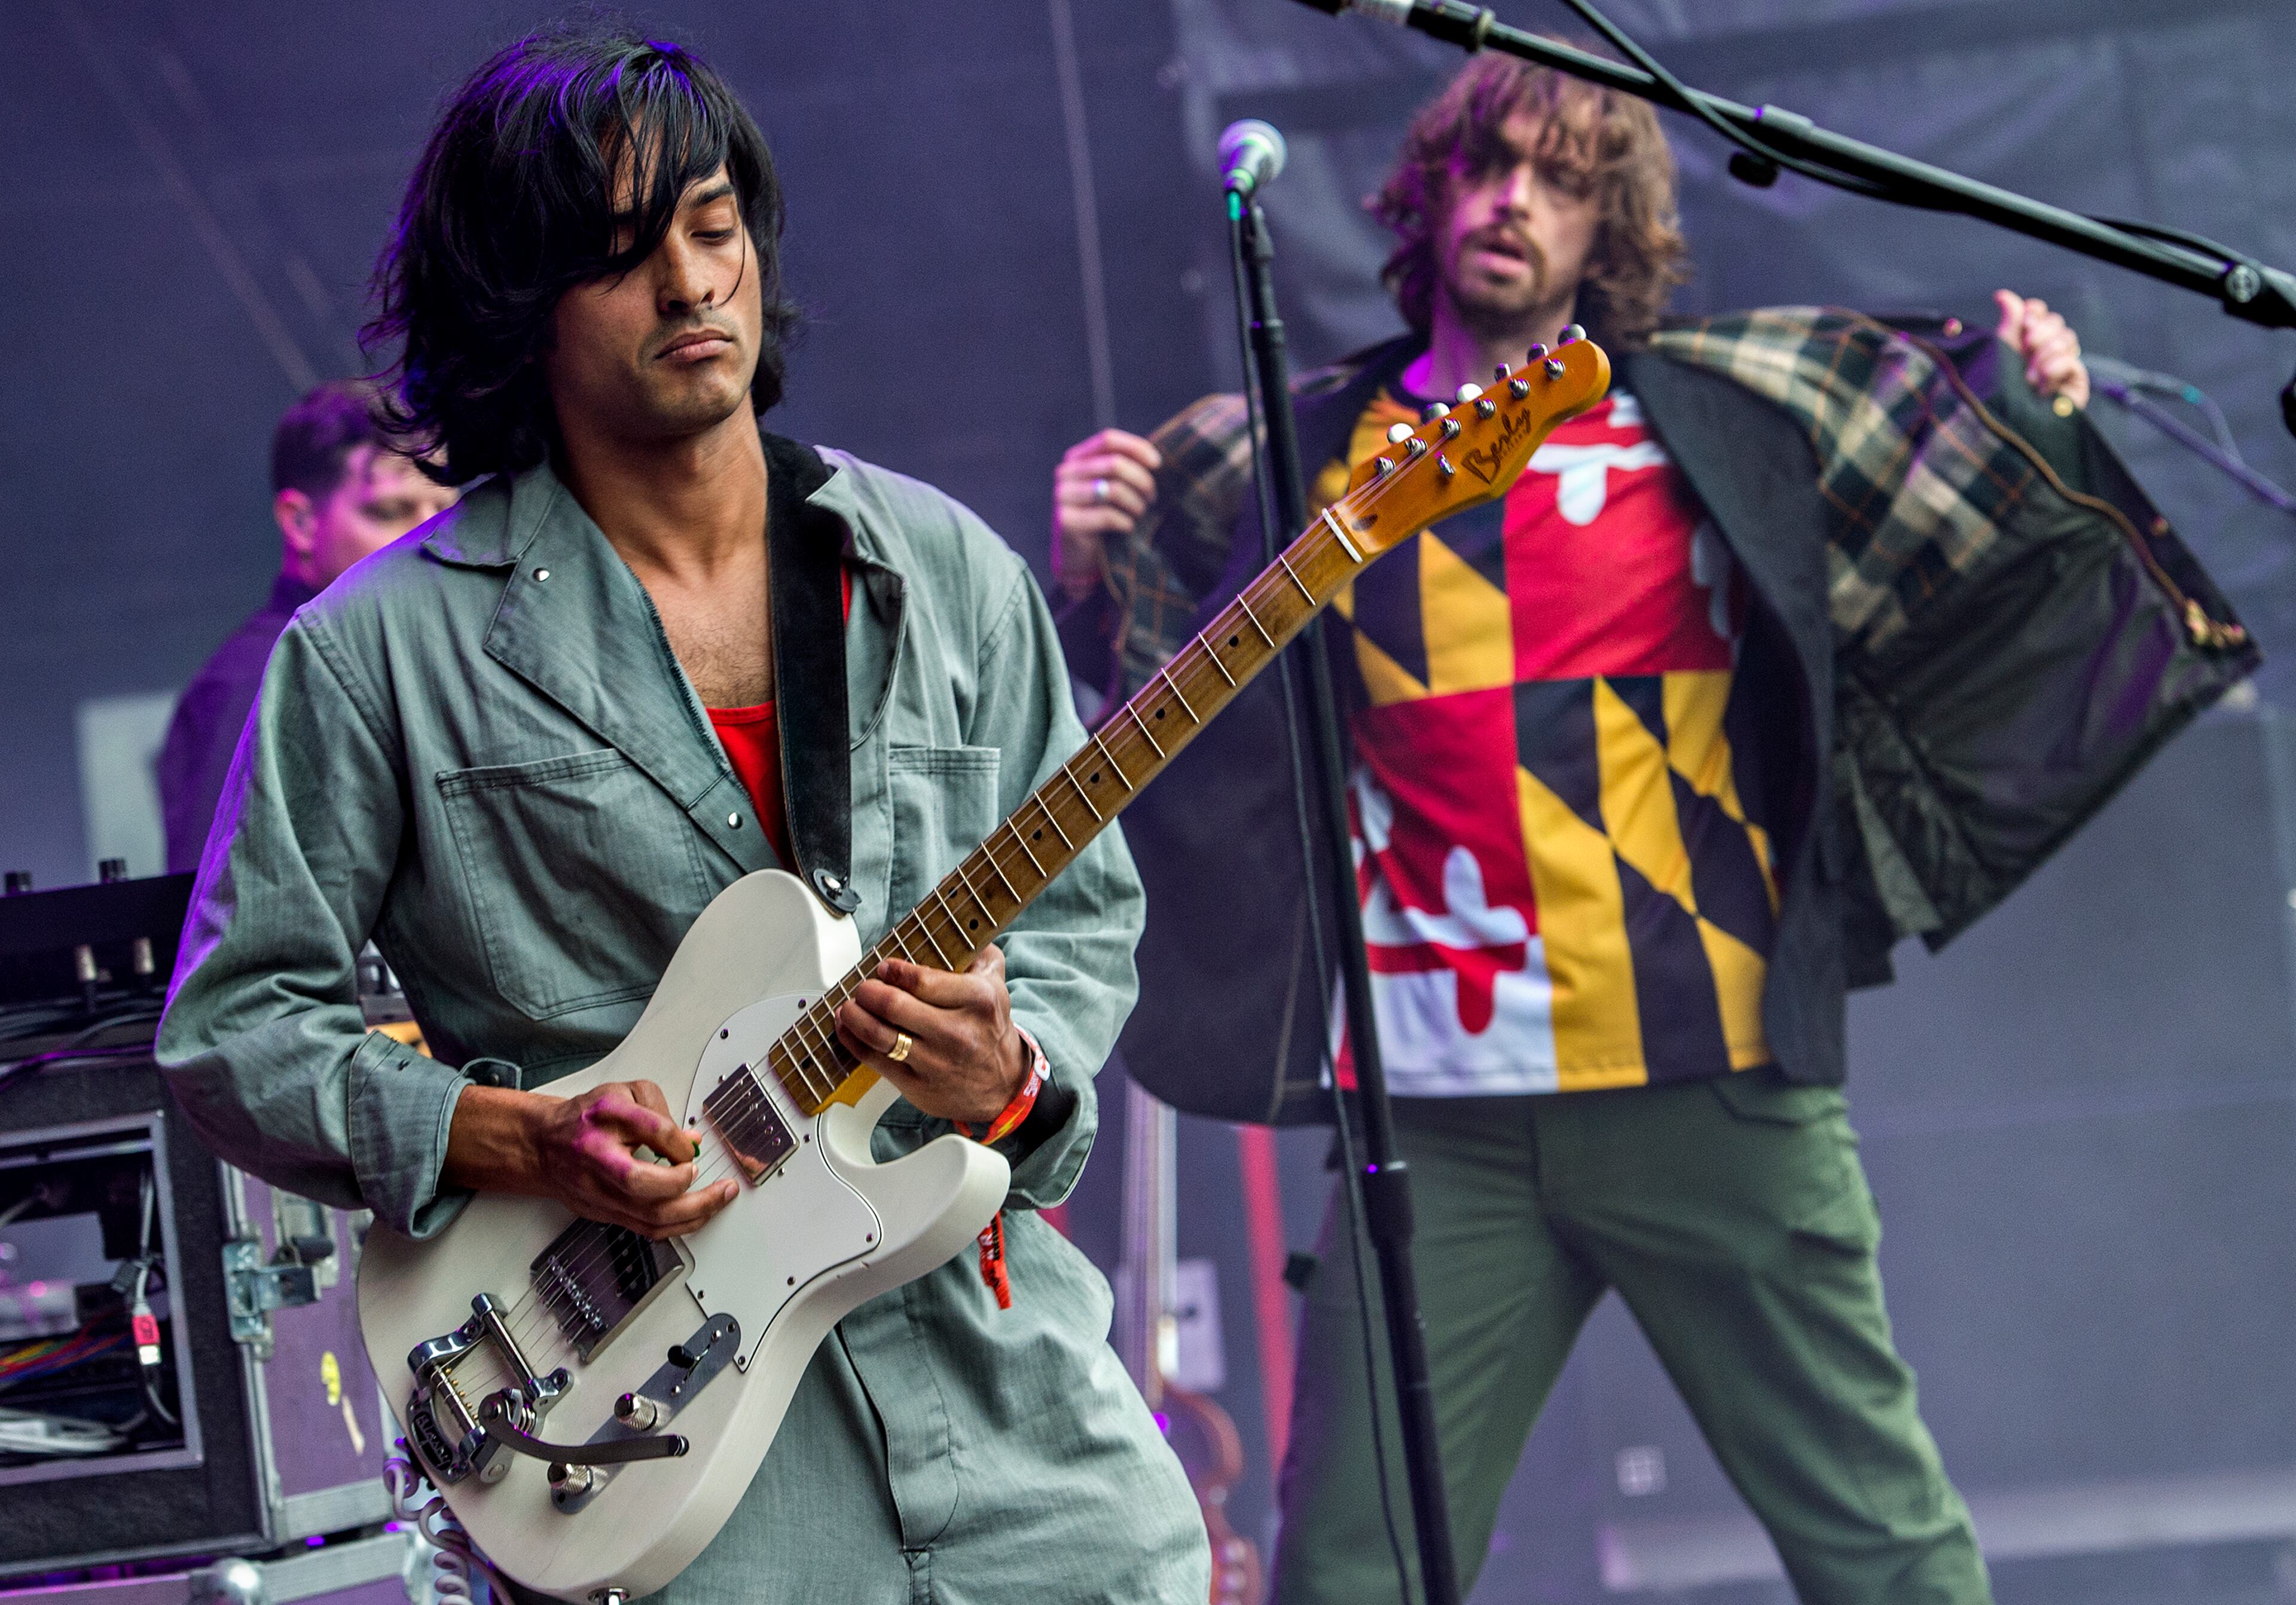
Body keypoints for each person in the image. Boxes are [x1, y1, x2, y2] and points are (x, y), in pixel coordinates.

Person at [1051, 51, 2252, 1605]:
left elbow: (1959, 485)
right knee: (1347, 1567)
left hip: (1713, 1080)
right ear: (1427, 196)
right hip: (1435, 1118)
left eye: (1560, 180)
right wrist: (1093, 561)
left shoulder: (1720, 420)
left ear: (1606, 229)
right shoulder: (1293, 453)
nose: (1513, 203)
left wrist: (2031, 389)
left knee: (1885, 1550)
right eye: (1486, 166)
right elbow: (1179, 721)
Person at [157, 23, 1205, 1605]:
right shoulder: (378, 652)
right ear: (521, 303)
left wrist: (1011, 1066)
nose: (694, 284)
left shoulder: (943, 571)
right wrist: (517, 1135)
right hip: (651, 1426)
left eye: (714, 228)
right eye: (625, 252)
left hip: (1001, 1392)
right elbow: (233, 1029)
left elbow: (1078, 917)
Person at [156, 381, 457, 874]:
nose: (432, 538)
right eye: (392, 511)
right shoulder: (252, 684)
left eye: (446, 511)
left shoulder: (408, 657)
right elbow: (218, 912)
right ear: (300, 523)